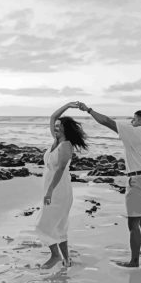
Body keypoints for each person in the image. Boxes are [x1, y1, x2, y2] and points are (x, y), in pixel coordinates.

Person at [77, 102, 141, 268]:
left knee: (133, 223)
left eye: (134, 120)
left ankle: (134, 261)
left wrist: (89, 110)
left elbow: (106, 121)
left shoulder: (134, 132)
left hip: (138, 180)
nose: (131, 123)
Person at [35, 102, 88, 269]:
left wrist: (50, 190)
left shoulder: (66, 146)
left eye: (59, 126)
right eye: (56, 126)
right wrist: (69, 105)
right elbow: (52, 117)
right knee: (59, 225)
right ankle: (67, 260)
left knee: (43, 224)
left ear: (65, 129)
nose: (56, 127)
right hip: (51, 186)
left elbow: (60, 169)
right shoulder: (56, 140)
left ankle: (56, 255)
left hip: (59, 189)